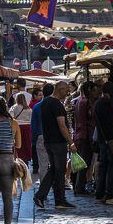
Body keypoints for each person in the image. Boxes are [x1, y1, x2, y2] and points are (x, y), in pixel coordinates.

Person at [33, 81, 77, 210]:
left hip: (49, 141)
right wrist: (71, 142)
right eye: (66, 90)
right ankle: (55, 199)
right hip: (58, 142)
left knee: (55, 169)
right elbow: (62, 125)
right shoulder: (57, 104)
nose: (67, 93)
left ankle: (52, 198)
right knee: (59, 170)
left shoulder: (45, 102)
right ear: (59, 89)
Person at [94, 82, 113, 205]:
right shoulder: (107, 103)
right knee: (111, 167)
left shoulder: (98, 103)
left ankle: (100, 193)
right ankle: (109, 194)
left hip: (102, 139)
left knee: (104, 167)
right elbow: (111, 123)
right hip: (109, 139)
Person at [73, 81, 98, 195]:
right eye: (94, 90)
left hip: (79, 134)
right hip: (85, 135)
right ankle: (79, 187)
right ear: (89, 90)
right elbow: (90, 115)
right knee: (85, 162)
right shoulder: (86, 102)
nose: (96, 93)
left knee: (81, 162)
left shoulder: (78, 101)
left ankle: (77, 185)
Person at [9, 88, 33, 163]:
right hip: (27, 127)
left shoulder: (14, 107)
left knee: (18, 143)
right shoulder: (29, 108)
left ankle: (18, 158)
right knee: (26, 144)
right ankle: (26, 159)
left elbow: (11, 117)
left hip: (17, 127)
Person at [31, 85, 50, 178]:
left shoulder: (36, 107)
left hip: (41, 136)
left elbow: (33, 126)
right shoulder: (57, 104)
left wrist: (34, 141)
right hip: (54, 137)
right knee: (56, 163)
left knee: (43, 164)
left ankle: (44, 186)